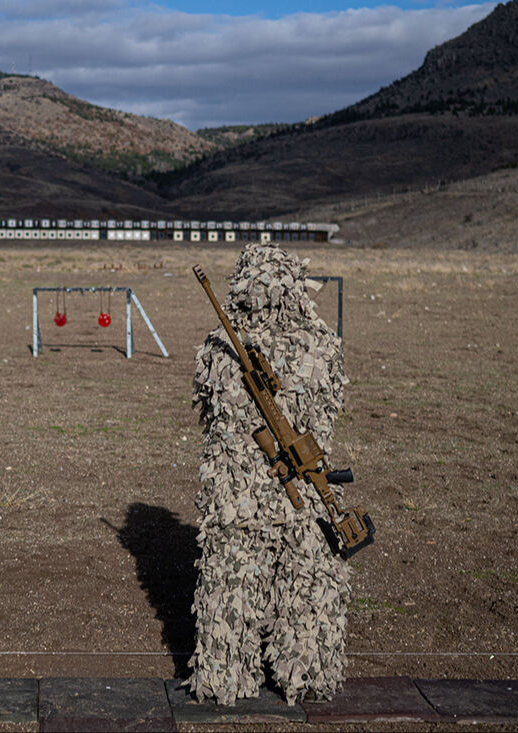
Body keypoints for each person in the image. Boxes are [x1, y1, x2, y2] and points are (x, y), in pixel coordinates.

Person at [187, 244, 353, 706]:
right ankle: (310, 676)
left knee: (230, 588)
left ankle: (225, 678)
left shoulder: (218, 352)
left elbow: (208, 413)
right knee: (307, 587)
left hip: (236, 499)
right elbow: (331, 412)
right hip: (304, 498)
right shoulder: (324, 345)